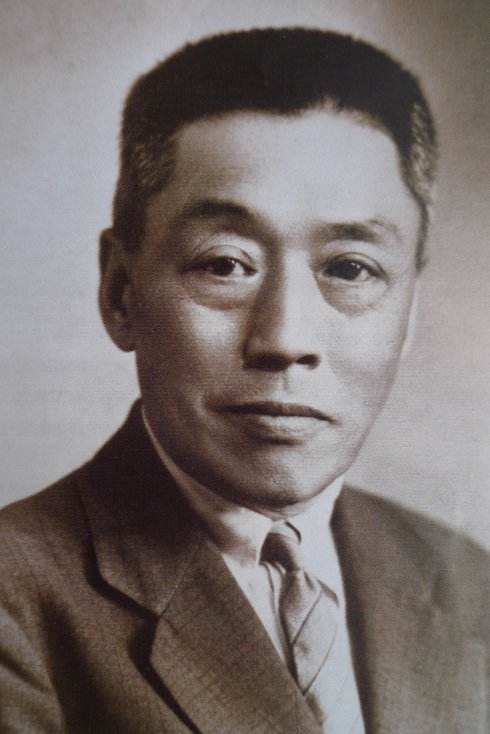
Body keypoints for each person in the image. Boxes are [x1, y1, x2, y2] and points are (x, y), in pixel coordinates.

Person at [0, 27, 487, 734]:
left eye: (350, 269)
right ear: (120, 292)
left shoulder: (468, 583)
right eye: (224, 264)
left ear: (408, 313)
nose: (285, 340)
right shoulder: (16, 605)